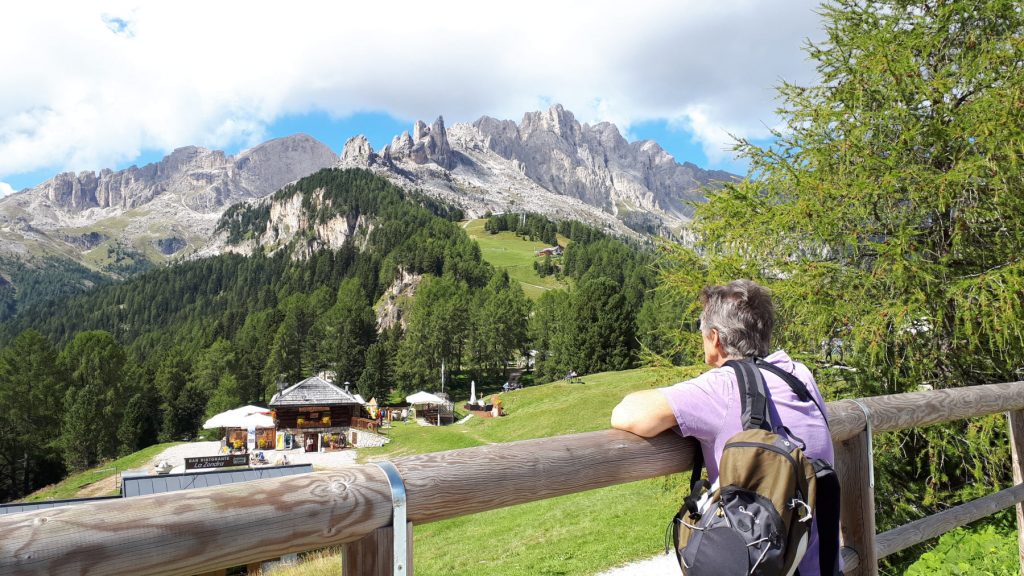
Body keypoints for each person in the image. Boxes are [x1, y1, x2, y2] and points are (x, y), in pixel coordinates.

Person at [611, 280, 837, 576]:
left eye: (702, 331)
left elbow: (626, 415)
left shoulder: (721, 388)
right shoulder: (799, 375)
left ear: (715, 338)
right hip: (824, 567)